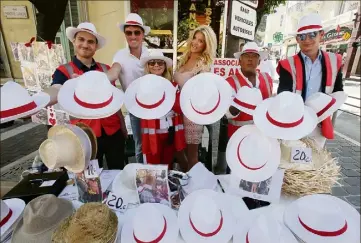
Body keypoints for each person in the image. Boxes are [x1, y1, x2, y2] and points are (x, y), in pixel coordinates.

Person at [44, 22, 127, 169]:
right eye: (81, 39)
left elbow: (113, 102)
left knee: (118, 169)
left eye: (90, 42)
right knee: (91, 178)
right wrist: (39, 101)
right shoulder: (64, 71)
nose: (85, 45)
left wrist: (122, 125)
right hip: (84, 133)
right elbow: (56, 89)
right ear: (74, 42)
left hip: (112, 130)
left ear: (96, 46)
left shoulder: (105, 69)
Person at [277, 13, 343, 148]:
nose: (307, 40)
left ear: (321, 35)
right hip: (294, 122)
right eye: (302, 36)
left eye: (312, 34)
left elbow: (337, 92)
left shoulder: (334, 60)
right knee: (292, 165)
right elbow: (283, 95)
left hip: (319, 124)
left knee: (314, 165)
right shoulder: (287, 64)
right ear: (297, 39)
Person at [106, 13, 150, 164]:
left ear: (143, 34)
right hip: (135, 107)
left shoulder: (150, 55)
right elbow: (113, 73)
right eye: (128, 32)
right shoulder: (120, 55)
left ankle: (159, 175)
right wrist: (94, 79)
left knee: (157, 141)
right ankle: (141, 178)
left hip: (155, 106)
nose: (133, 36)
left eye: (137, 32)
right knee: (140, 146)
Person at [174, 25, 217, 170]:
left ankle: (193, 185)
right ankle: (184, 181)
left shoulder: (204, 66)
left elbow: (205, 93)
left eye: (201, 41)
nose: (195, 42)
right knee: (178, 151)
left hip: (192, 115)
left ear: (206, 45)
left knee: (191, 155)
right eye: (195, 38)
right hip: (176, 113)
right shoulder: (183, 60)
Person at [139, 50, 188, 171]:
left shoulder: (173, 85)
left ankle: (167, 189)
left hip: (170, 132)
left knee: (168, 166)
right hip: (151, 133)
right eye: (152, 63)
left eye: (160, 63)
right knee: (152, 168)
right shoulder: (141, 86)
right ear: (148, 67)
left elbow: (179, 107)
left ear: (165, 66)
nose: (156, 65)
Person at [226, 42, 273, 138]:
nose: (250, 59)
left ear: (259, 61)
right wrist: (242, 100)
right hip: (238, 138)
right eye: (246, 56)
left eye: (254, 56)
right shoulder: (230, 82)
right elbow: (228, 114)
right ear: (240, 61)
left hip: (262, 136)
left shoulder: (267, 79)